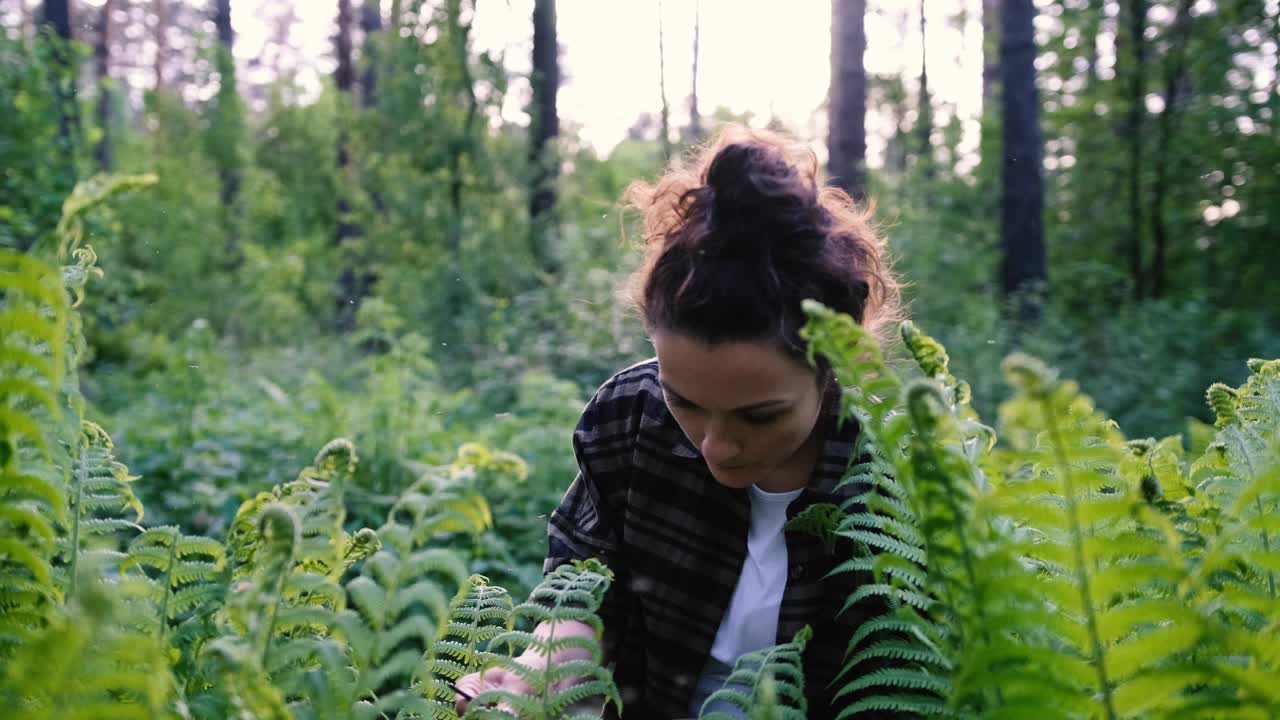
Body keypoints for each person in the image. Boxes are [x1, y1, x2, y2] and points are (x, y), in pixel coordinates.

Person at [456, 124, 901, 719]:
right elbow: (586, 598)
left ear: (833, 368)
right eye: (685, 402)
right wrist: (534, 681)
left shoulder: (898, 479)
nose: (717, 447)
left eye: (759, 415)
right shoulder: (630, 417)